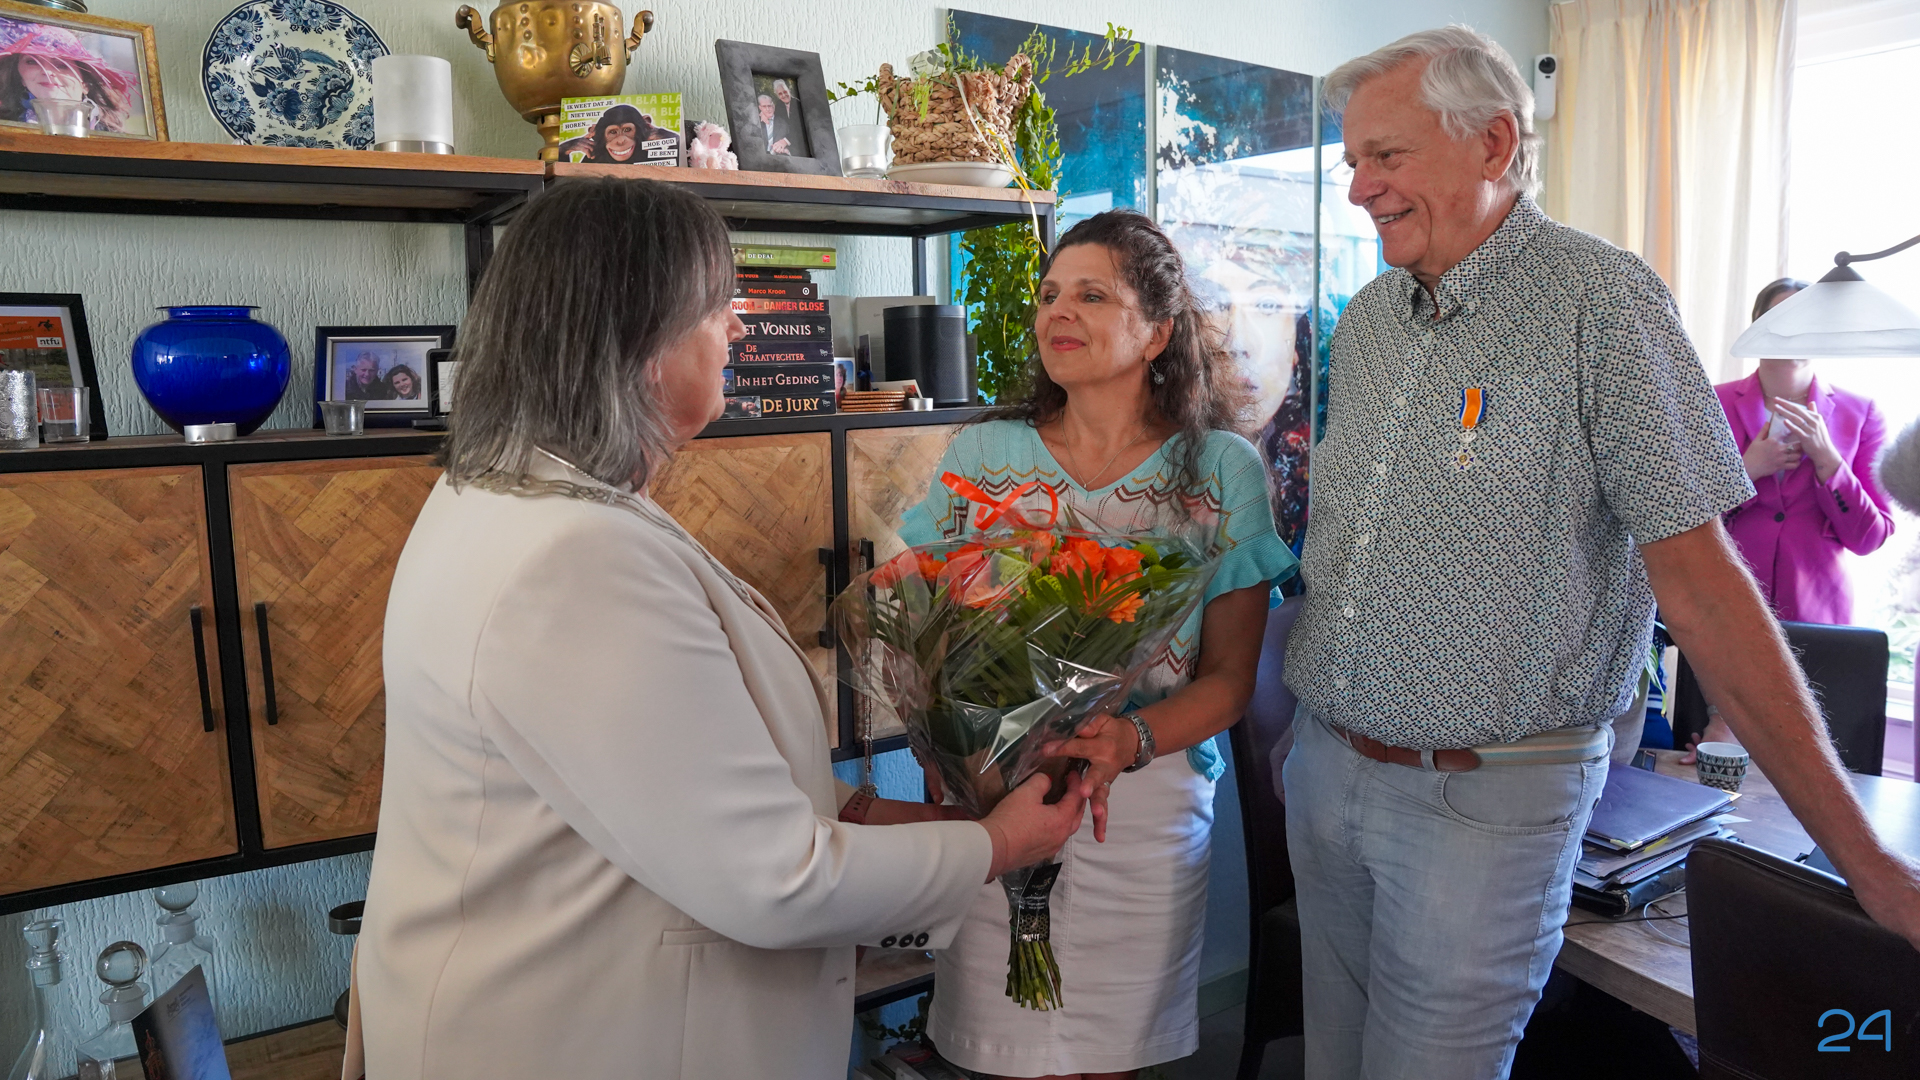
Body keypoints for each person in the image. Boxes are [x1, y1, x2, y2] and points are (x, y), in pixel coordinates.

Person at [1285, 26, 1920, 1080]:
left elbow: (1707, 593)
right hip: (1327, 777)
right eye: (1352, 159)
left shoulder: (1603, 304)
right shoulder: (1368, 322)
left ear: (1493, 144)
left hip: (1480, 807)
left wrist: (1862, 857)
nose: (1359, 187)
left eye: (1385, 156)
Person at [350, 177, 1090, 1080]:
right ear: (641, 342)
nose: (739, 330)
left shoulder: (510, 494)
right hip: (581, 1034)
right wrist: (1003, 843)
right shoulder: (573, 559)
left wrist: (883, 811)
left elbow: (671, 786)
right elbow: (774, 880)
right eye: (718, 308)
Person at [899, 209, 1299, 1080]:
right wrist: (951, 743)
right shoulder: (982, 452)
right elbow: (926, 629)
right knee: (994, 1053)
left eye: (1090, 295)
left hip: (1142, 809)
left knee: (1106, 1059)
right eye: (1048, 296)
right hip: (1000, 797)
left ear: (1157, 331)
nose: (1057, 314)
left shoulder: (1220, 469)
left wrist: (1130, 737)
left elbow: (1230, 679)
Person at [1715, 278, 1895, 623]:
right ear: (1756, 326)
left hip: (1818, 611)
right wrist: (1745, 472)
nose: (1794, 330)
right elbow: (1677, 518)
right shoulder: (1711, 403)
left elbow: (1870, 538)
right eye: (1780, 316)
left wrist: (1828, 459)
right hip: (1727, 604)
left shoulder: (1862, 413)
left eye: (1806, 319)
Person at [0, 25, 134, 132]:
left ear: (85, 84)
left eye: (62, 65)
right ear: (21, 78)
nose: (47, 71)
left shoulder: (115, 140)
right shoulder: (6, 130)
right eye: (32, 62)